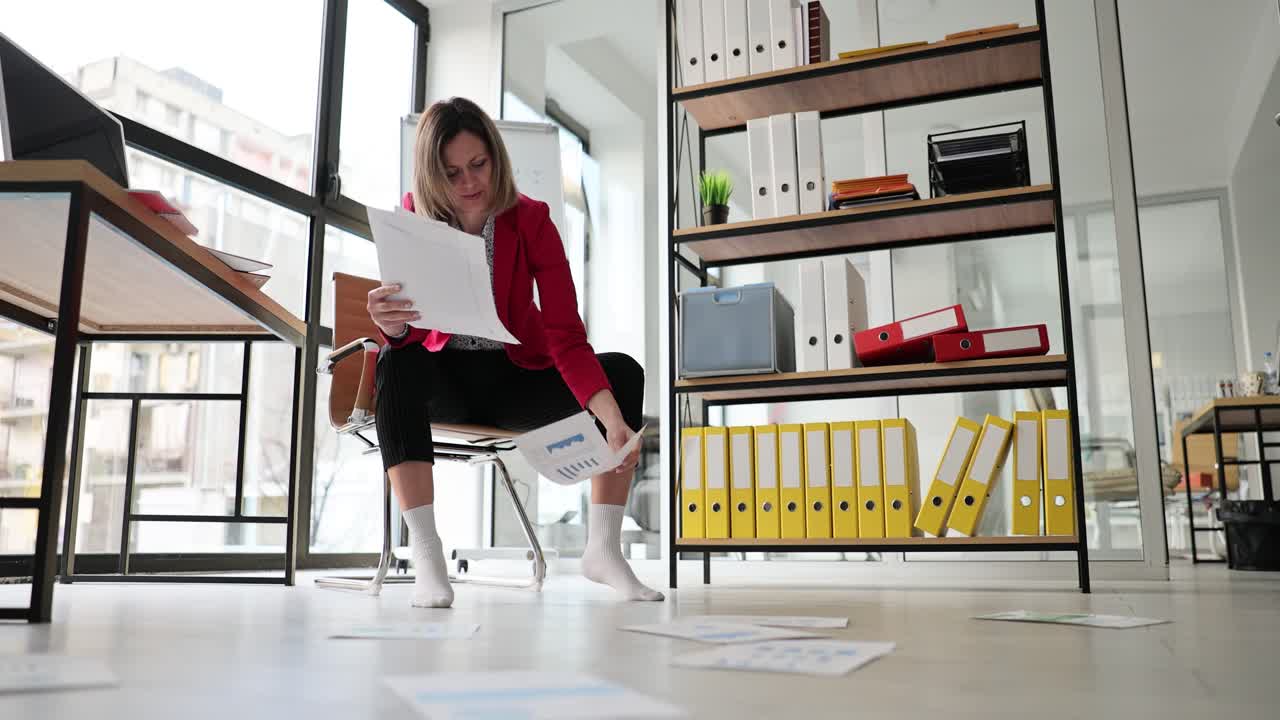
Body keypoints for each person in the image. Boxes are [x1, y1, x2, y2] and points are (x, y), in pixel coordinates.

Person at [367, 97, 662, 607]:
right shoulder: (415, 217)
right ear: (432, 174)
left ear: (496, 158)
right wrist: (390, 327)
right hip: (443, 383)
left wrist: (611, 418)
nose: (467, 183)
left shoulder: (532, 219)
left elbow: (565, 335)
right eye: (451, 172)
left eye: (477, 165)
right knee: (397, 361)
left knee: (623, 373)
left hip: (515, 378)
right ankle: (427, 554)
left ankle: (604, 551)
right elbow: (412, 335)